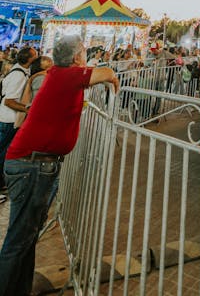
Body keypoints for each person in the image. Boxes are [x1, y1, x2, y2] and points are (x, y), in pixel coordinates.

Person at [0, 34, 119, 296]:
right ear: (77, 57)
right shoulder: (67, 76)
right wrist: (111, 76)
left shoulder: (61, 76)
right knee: (18, 240)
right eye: (84, 52)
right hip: (31, 166)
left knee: (27, 238)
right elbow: (106, 71)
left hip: (35, 164)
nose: (86, 56)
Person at [0, 46, 37, 197]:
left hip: (7, 119)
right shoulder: (19, 76)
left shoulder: (20, 72)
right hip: (7, 120)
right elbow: (9, 101)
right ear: (29, 59)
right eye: (35, 56)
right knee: (2, 153)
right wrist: (28, 110)